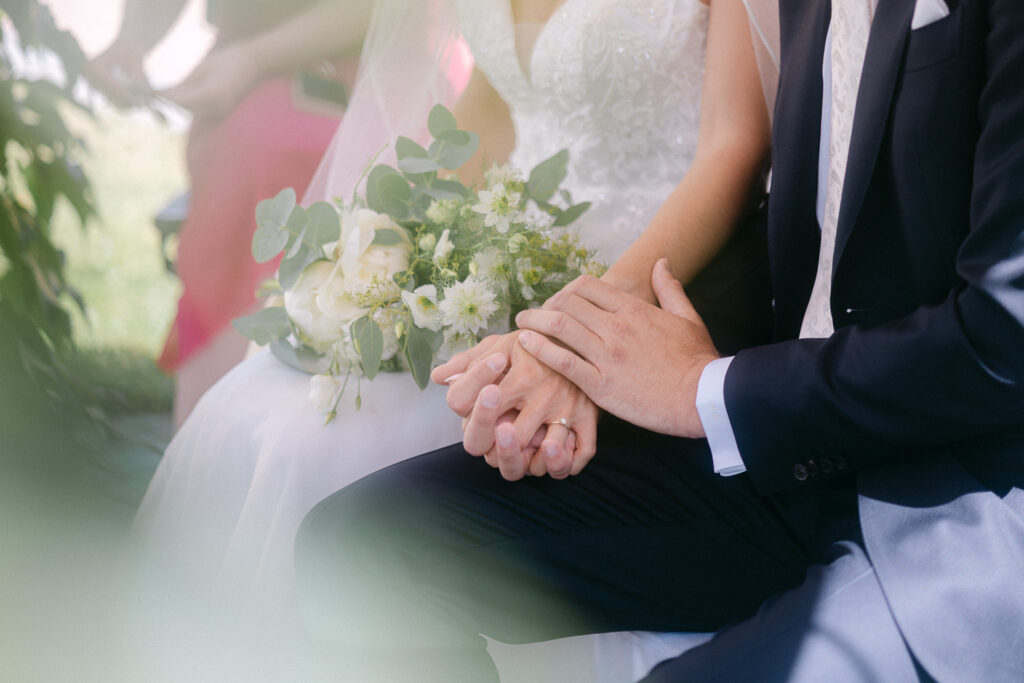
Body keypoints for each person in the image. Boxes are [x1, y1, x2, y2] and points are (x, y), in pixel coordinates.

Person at [295, 0, 1024, 680]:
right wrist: (582, 351)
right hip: (786, 450)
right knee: (359, 551)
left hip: (954, 484)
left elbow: (1004, 337)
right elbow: (812, 233)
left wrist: (700, 389)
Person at [131, 0, 776, 679]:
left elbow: (734, 145)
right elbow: (494, 107)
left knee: (331, 444)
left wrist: (589, 324)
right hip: (502, 254)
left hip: (643, 270)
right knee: (262, 406)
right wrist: (403, 246)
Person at [88, 0, 371, 427]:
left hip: (355, 66)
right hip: (237, 72)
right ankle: (214, 415)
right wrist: (133, 38)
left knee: (266, 152)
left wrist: (257, 59)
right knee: (245, 161)